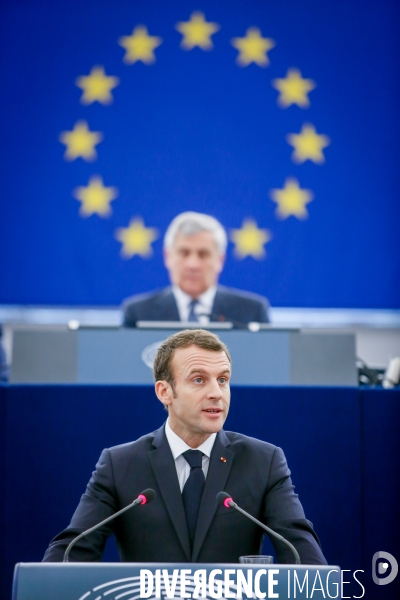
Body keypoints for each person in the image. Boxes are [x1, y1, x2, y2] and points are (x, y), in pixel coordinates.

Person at [43, 329, 326, 564]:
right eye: (199, 379)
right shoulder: (120, 465)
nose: (216, 393)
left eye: (223, 380)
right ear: (164, 392)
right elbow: (70, 554)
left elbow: (304, 559)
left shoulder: (264, 462)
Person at [122, 212, 269, 328]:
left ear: (220, 260)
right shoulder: (139, 314)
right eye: (184, 253)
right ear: (168, 257)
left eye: (203, 254)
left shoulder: (251, 312)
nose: (193, 264)